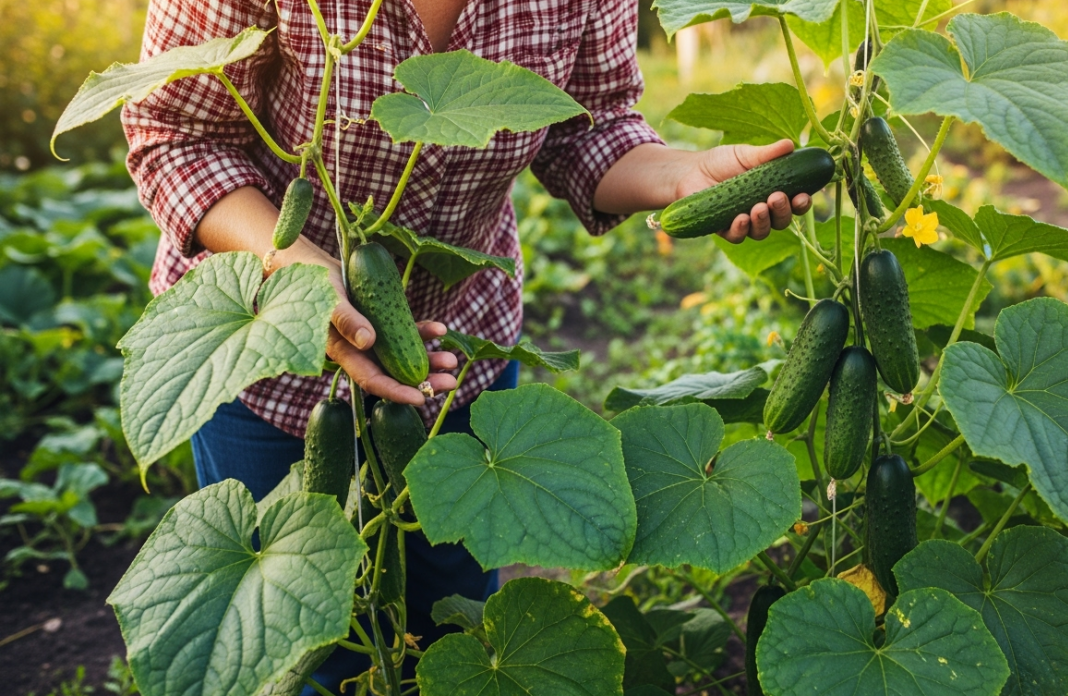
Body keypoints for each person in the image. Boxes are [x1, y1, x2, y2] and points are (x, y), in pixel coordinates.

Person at [122, 0, 811, 692]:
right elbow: (173, 136)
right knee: (302, 646)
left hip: (455, 352)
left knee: (449, 632)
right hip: (261, 338)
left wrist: (683, 178)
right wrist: (299, 275)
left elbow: (588, 129)